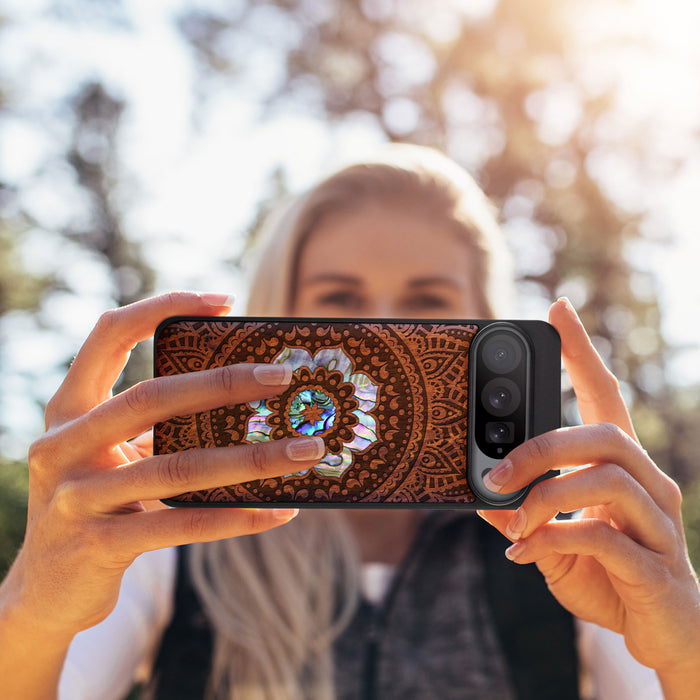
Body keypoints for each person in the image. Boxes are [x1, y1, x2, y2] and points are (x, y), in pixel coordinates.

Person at [0, 145, 698, 700]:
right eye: (339, 298)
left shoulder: (567, 544)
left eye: (427, 301)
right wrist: (34, 607)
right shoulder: (171, 535)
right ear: (279, 313)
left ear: (486, 322)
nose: (384, 328)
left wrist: (685, 648)